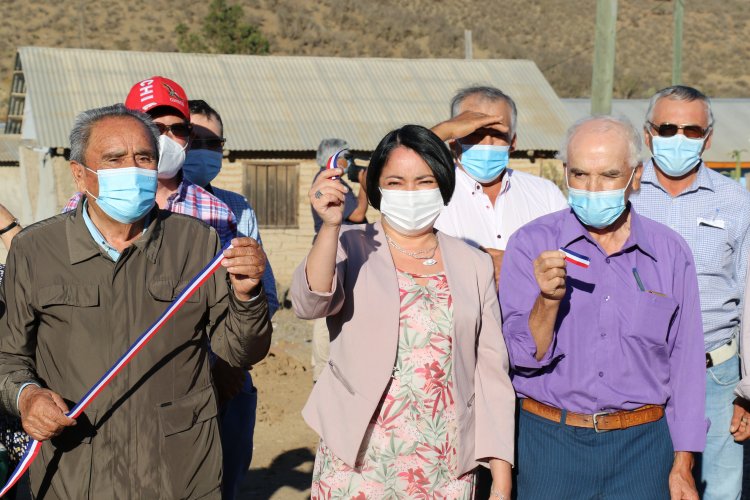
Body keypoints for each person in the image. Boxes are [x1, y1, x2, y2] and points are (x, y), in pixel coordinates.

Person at [0, 104, 273, 499]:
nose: (133, 169)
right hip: (76, 470)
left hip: (180, 470)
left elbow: (238, 349)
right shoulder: (36, 250)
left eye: (143, 158)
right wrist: (28, 396)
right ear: (80, 174)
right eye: (114, 159)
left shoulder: (196, 242)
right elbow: (8, 358)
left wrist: (247, 295)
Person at [292, 125, 515, 498]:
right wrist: (331, 226)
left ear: (443, 184)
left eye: (424, 181)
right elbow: (309, 301)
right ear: (377, 188)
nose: (410, 193)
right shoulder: (352, 246)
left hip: (444, 459)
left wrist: (501, 479)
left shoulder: (472, 263)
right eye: (396, 182)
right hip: (359, 459)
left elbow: (491, 373)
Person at [500, 115, 706, 499]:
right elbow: (522, 357)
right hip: (550, 444)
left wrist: (683, 463)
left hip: (643, 447)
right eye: (580, 175)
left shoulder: (669, 252)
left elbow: (686, 364)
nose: (592, 189)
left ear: (636, 176)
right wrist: (546, 302)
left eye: (609, 175)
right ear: (565, 173)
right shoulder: (531, 245)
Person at [629, 85, 750, 499]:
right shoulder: (623, 197)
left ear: (708, 137)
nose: (678, 138)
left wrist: (746, 389)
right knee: (640, 486)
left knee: (718, 490)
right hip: (637, 374)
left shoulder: (737, 202)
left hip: (715, 373)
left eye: (691, 130)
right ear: (648, 134)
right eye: (667, 127)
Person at [184, 98, 278, 500]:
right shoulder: (143, 211)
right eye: (193, 139)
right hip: (173, 377)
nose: (204, 151)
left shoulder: (236, 209)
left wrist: (229, 362)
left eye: (214, 143)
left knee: (227, 480)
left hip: (231, 374)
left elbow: (265, 295)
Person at [64, 76, 238, 247]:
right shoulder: (87, 203)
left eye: (178, 129)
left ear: (190, 138)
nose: (165, 139)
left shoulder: (216, 212)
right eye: (155, 128)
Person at [432, 86, 567, 284]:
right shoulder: (429, 189)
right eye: (474, 133)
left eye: (497, 134)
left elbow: (571, 257)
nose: (486, 143)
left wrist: (517, 266)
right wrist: (440, 131)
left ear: (513, 142)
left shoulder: (545, 193)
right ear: (453, 140)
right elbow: (388, 167)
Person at [308, 138, 368, 382]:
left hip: (337, 248)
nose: (349, 161)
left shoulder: (326, 179)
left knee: (333, 307)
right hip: (335, 250)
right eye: (347, 156)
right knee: (328, 309)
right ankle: (323, 371)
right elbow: (357, 214)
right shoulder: (332, 181)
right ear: (334, 159)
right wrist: (364, 185)